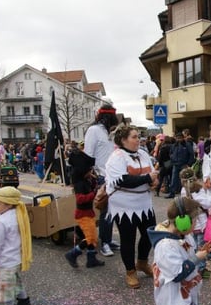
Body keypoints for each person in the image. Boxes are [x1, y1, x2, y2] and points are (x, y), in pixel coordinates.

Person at [147, 197, 211, 305]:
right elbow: (178, 274)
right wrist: (197, 258)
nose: (196, 224)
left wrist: (198, 254)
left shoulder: (183, 236)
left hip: (186, 294)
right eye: (194, 220)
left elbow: (187, 257)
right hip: (175, 298)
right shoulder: (165, 246)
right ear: (183, 221)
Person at [105, 125, 159, 289]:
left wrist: (154, 181)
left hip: (144, 203)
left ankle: (142, 262)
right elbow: (123, 180)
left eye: (138, 136)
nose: (138, 140)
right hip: (124, 206)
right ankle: (130, 271)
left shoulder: (143, 154)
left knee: (150, 234)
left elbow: (152, 173)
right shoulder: (117, 157)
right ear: (123, 140)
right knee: (128, 239)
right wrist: (147, 178)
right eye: (134, 137)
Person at [83, 104, 120, 257]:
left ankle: (108, 239)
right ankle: (104, 242)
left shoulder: (110, 132)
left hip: (114, 176)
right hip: (102, 176)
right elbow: (88, 154)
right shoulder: (94, 130)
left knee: (113, 210)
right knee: (105, 211)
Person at [64, 150, 105, 269]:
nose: (90, 172)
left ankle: (91, 259)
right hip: (83, 214)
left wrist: (96, 182)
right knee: (90, 237)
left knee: (92, 236)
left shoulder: (85, 181)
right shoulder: (79, 184)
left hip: (88, 213)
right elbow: (80, 199)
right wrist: (94, 193)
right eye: (89, 171)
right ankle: (72, 254)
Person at [179, 167, 211, 276]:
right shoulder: (198, 191)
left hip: (191, 223)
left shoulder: (184, 191)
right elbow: (207, 204)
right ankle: (201, 268)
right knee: (201, 247)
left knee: (193, 245)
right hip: (202, 224)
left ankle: (194, 265)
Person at [167, 132, 195, 198]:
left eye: (180, 138)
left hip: (184, 165)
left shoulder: (187, 145)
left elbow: (191, 154)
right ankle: (172, 193)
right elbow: (170, 153)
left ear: (183, 138)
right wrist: (172, 158)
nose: (178, 139)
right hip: (175, 164)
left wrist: (188, 164)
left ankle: (187, 193)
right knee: (173, 180)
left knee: (185, 180)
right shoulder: (174, 145)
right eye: (177, 138)